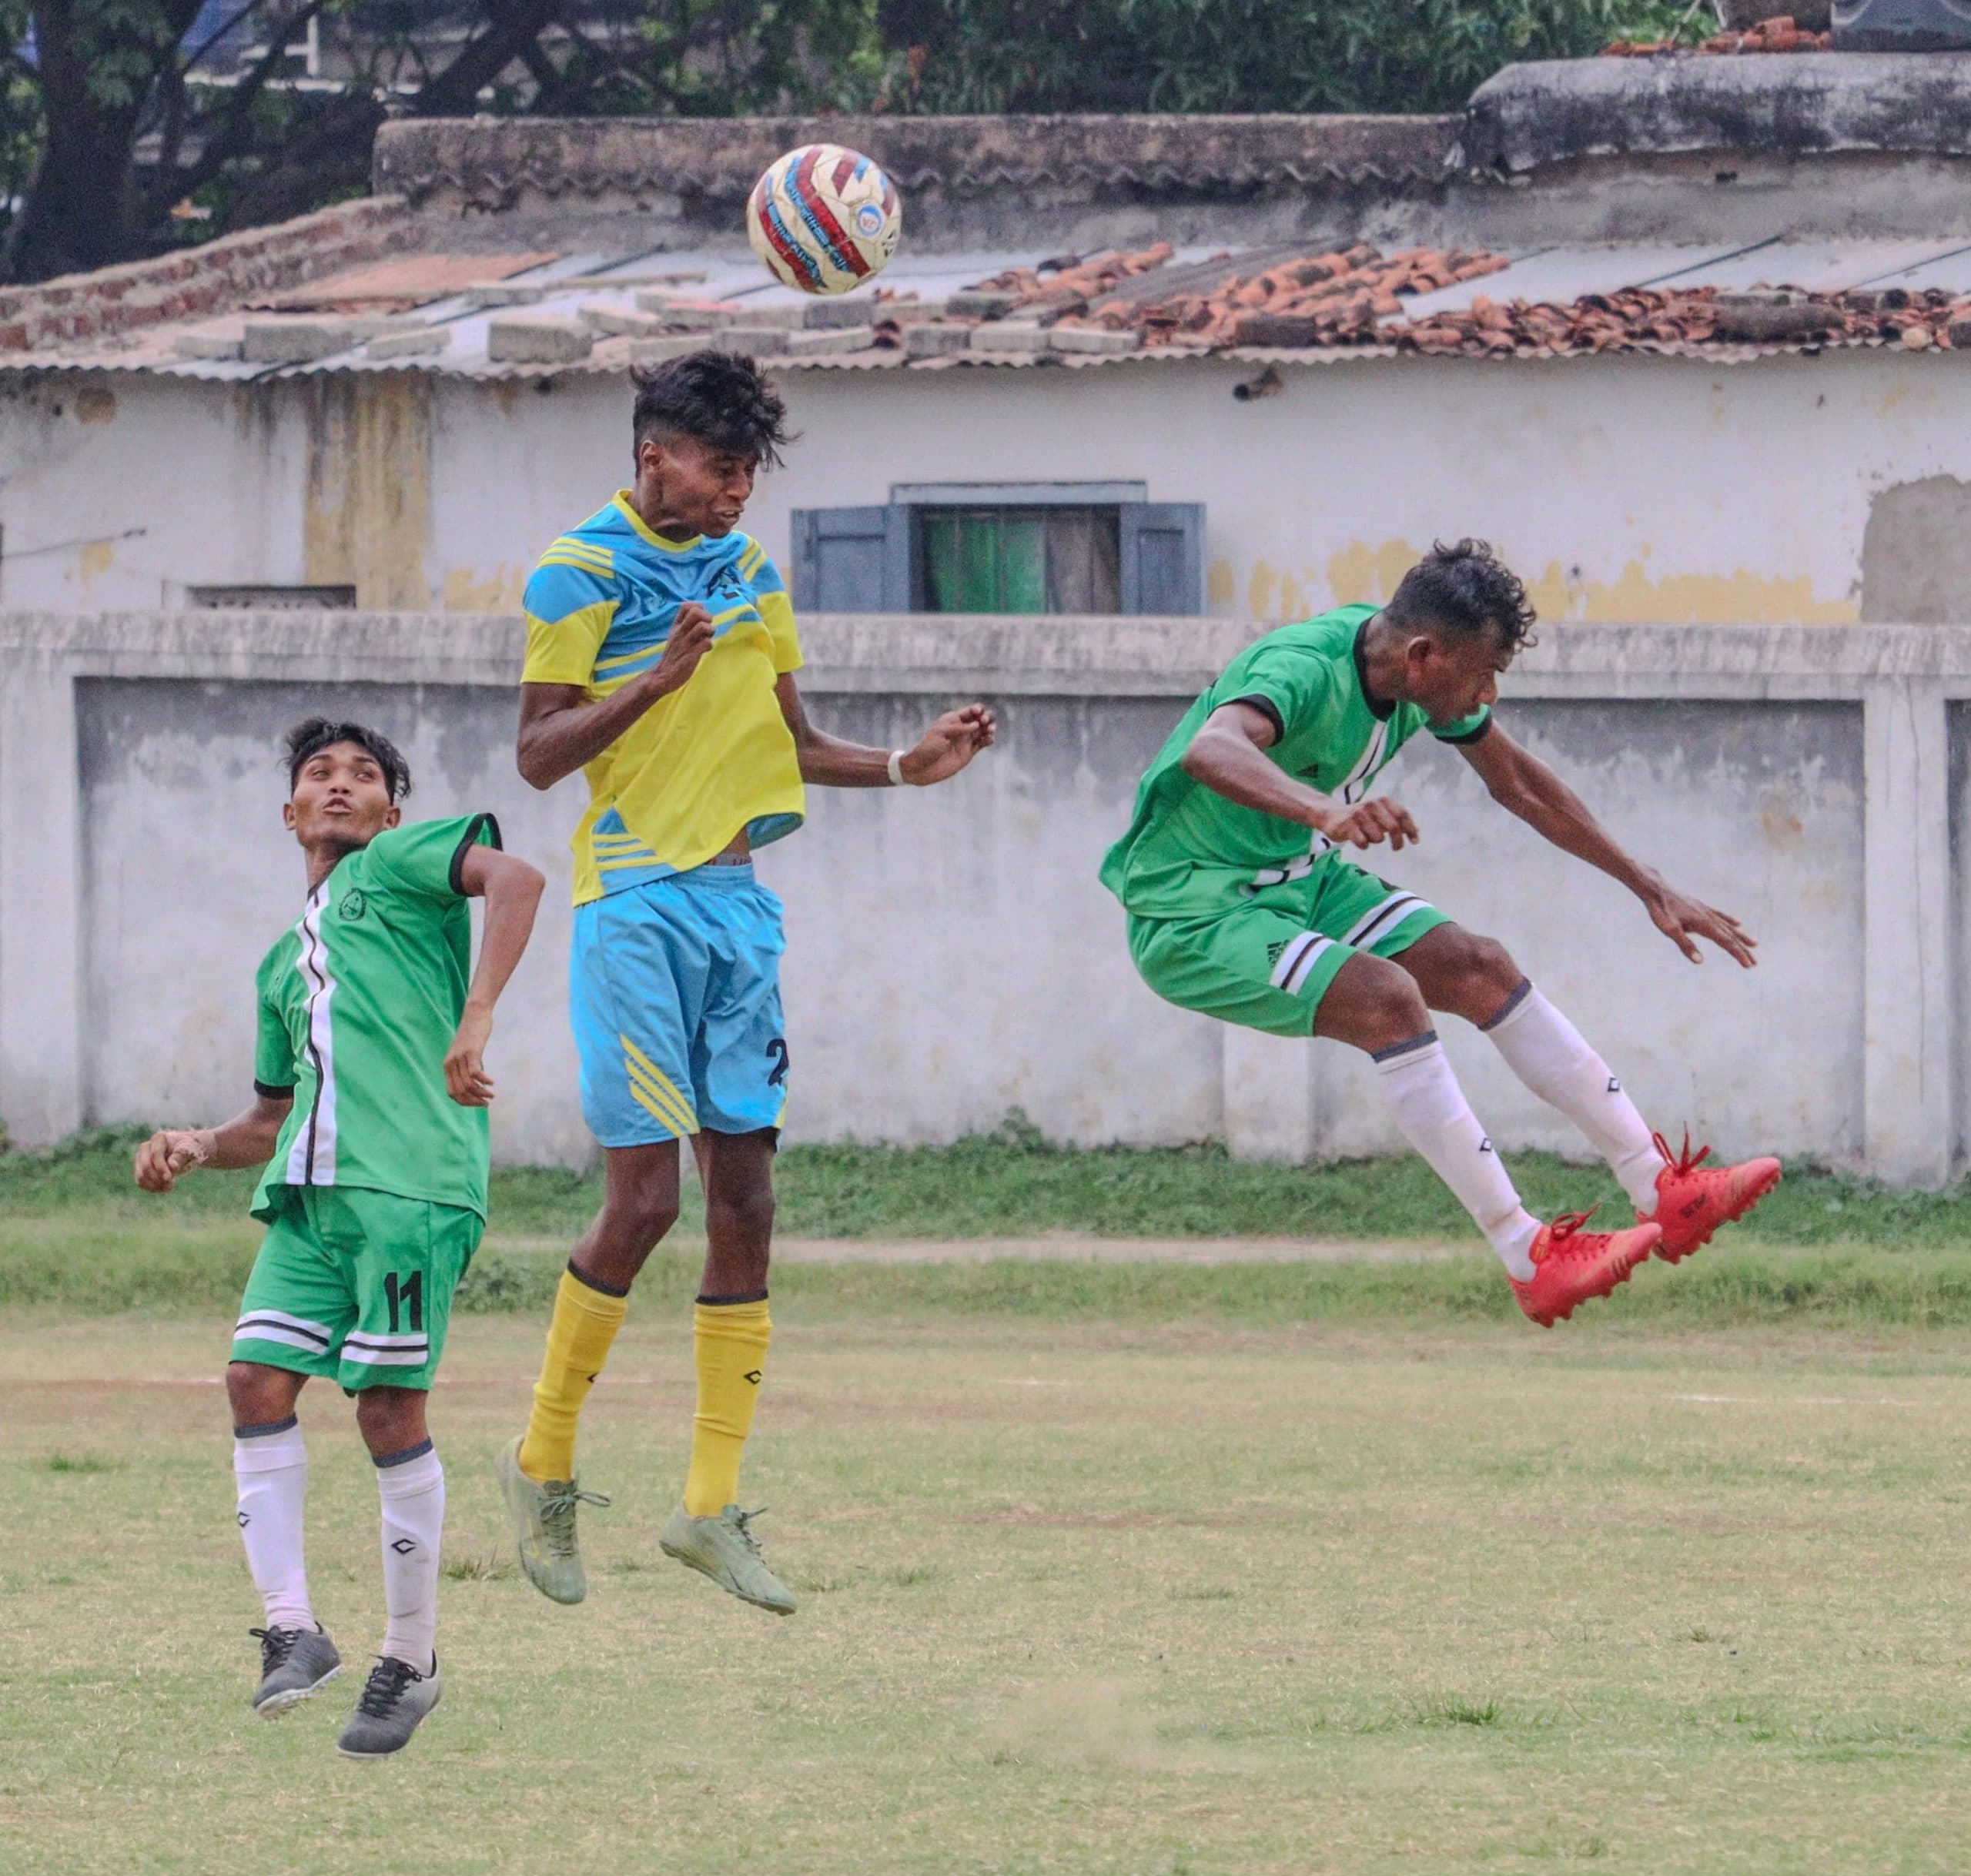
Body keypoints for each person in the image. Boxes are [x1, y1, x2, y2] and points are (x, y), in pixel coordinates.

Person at [497, 349, 995, 1614]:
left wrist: (903, 765)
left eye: (748, 475)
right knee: (646, 1199)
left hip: (738, 914)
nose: (737, 495)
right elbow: (539, 754)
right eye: (723, 470)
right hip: (634, 910)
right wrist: (650, 682)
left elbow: (794, 740)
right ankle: (542, 1460)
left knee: (750, 1200)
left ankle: (709, 1507)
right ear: (655, 454)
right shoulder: (579, 571)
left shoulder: (754, 574)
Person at [1100, 540, 1780, 1326]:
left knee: (1476, 965)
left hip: (1295, 877)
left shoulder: (1416, 682)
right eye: (1482, 672)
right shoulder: (1305, 667)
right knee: (1387, 997)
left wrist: (1649, 887)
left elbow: (1518, 784)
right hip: (1191, 908)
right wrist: (1325, 812)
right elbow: (1211, 748)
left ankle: (1659, 1185)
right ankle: (1530, 1256)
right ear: (1425, 656)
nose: (1488, 690)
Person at [133, 717, 544, 1756]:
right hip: (310, 1199)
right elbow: (269, 1120)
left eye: (364, 775)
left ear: (392, 814)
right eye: (320, 773)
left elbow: (520, 878)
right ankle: (292, 1630)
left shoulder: (403, 864)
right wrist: (193, 1141)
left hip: (409, 1187)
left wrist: (478, 1013)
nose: (340, 785)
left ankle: (411, 1654)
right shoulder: (283, 960)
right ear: (289, 810)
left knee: (386, 1406)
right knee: (253, 1382)